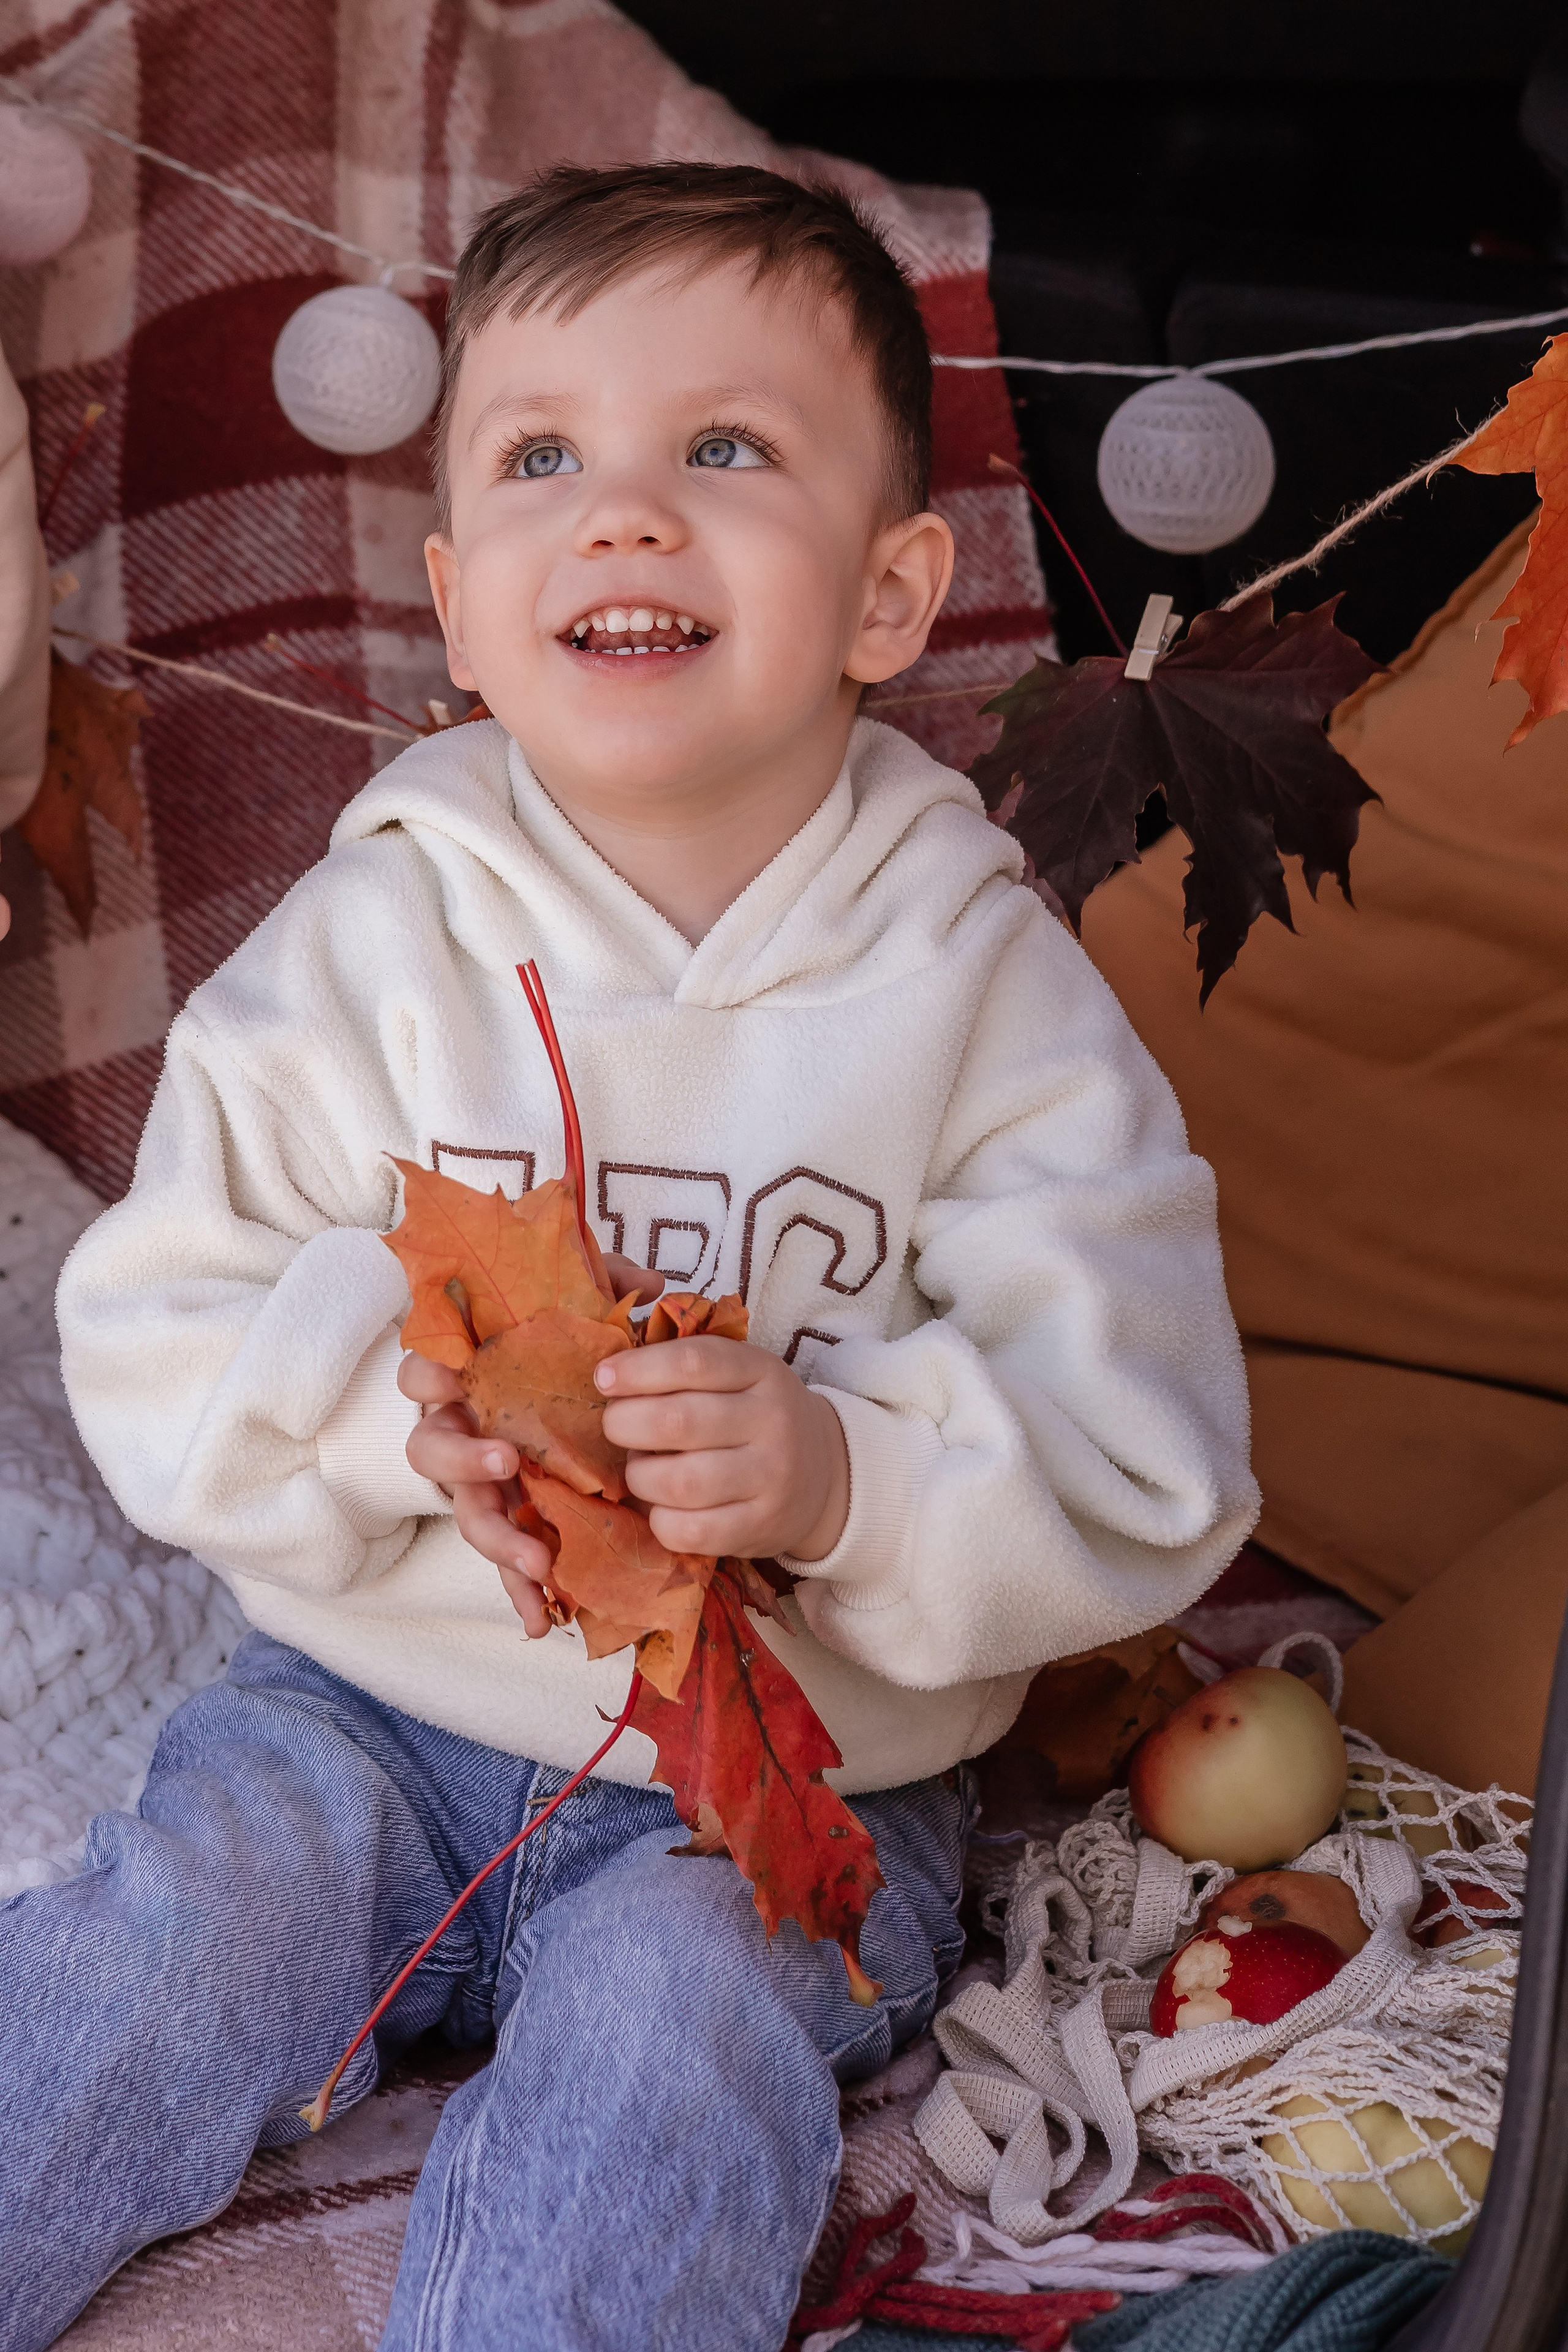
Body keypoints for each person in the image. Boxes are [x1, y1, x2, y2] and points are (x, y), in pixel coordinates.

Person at [15, 164, 1256, 2352]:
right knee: (170, 1943)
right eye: (541, 458)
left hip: (785, 1788)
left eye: (724, 451)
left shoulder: (987, 990)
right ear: (461, 599)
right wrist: (392, 1420)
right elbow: (157, 1320)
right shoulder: (374, 945)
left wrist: (847, 1477)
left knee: (677, 2043)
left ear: (891, 593)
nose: (624, 514)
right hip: (366, 1707)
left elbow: (1149, 1448)